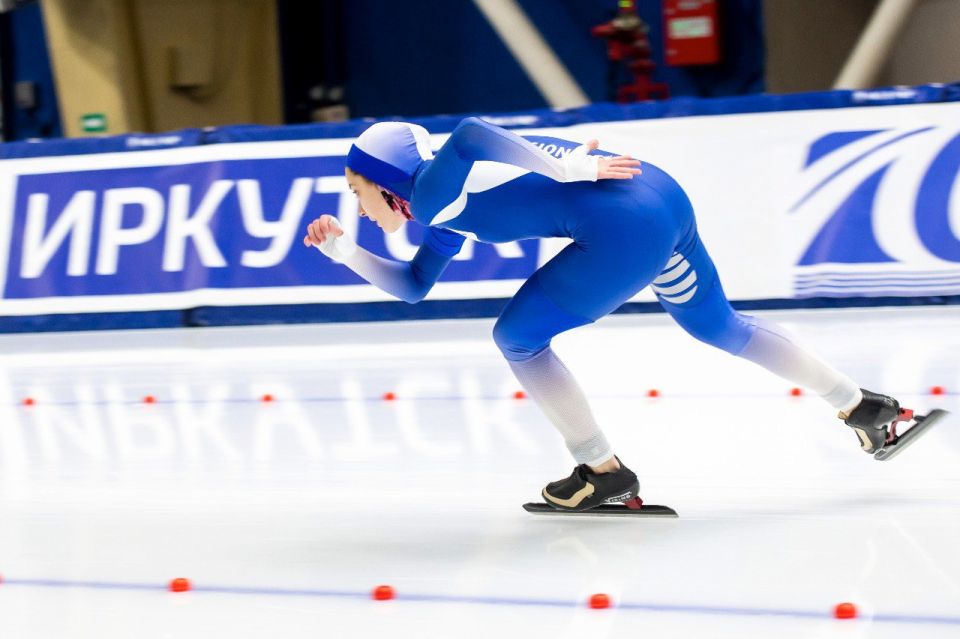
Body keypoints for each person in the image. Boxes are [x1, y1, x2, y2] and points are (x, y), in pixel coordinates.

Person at [302, 118, 906, 512]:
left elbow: (469, 134)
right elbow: (413, 287)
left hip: (624, 226)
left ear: (387, 182)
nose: (358, 207)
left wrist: (565, 167)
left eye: (357, 191)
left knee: (517, 337)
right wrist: (345, 252)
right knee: (717, 325)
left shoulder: (433, 189)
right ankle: (862, 405)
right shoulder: (442, 207)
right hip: (660, 197)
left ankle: (602, 471)